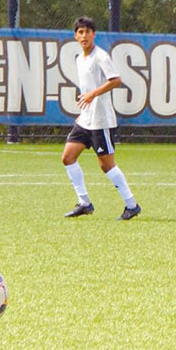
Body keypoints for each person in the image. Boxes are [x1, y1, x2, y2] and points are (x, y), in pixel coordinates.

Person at [61, 16, 141, 220]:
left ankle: (131, 205)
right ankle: (84, 203)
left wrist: (92, 94)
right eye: (80, 32)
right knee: (68, 157)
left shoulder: (100, 56)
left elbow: (116, 80)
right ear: (75, 36)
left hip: (101, 120)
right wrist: (84, 106)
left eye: (88, 31)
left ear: (94, 34)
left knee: (106, 165)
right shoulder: (80, 59)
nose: (84, 35)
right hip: (85, 119)